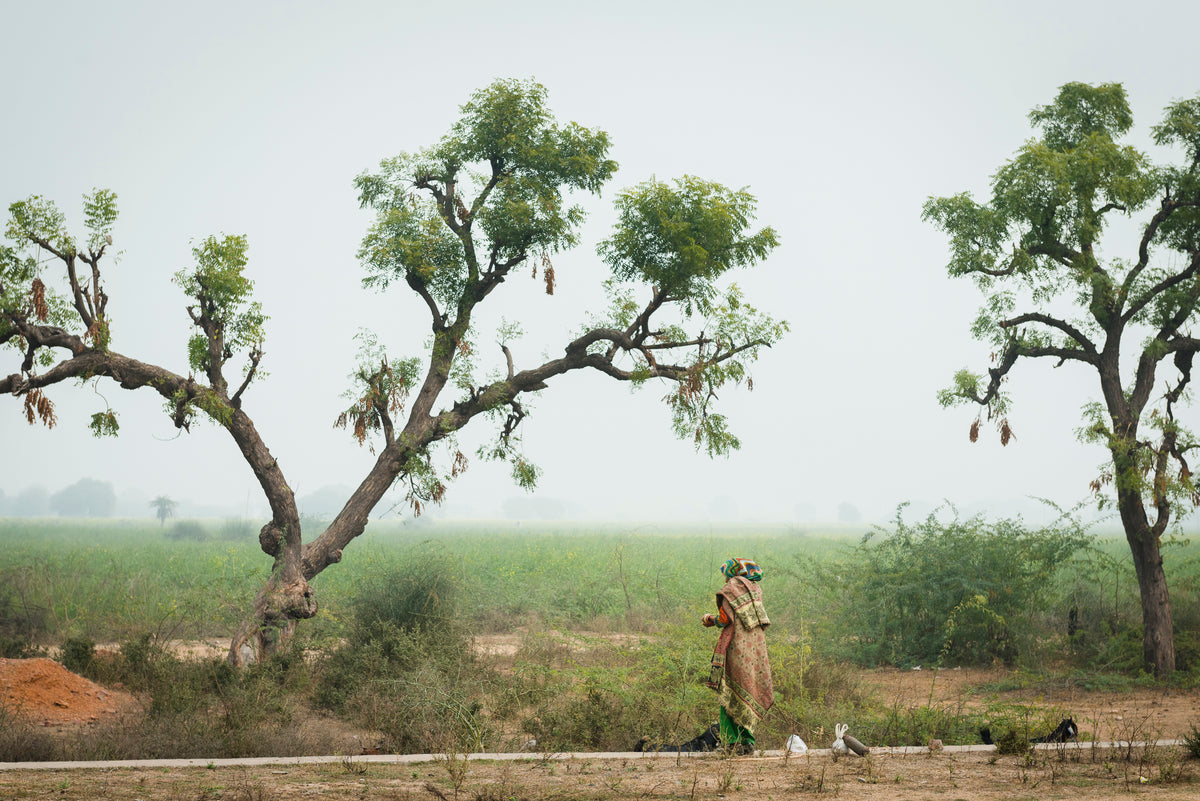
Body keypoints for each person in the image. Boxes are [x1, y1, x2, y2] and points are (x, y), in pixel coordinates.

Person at [702, 557, 774, 754]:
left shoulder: (730, 590)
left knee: (729, 694)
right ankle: (747, 741)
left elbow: (725, 619)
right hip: (754, 651)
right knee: (748, 692)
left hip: (735, 648)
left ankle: (730, 743)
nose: (725, 580)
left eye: (725, 575)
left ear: (731, 573)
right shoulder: (755, 590)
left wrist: (710, 619)